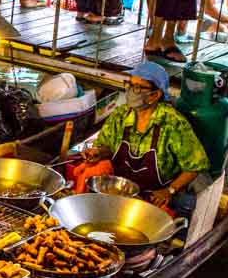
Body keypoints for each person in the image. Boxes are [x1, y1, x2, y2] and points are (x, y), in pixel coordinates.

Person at [84, 61, 210, 207]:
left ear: (154, 95)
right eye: (129, 84)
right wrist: (98, 152)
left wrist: (169, 190)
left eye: (137, 87)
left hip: (155, 197)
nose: (130, 91)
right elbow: (108, 147)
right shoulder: (121, 115)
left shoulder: (172, 123)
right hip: (120, 190)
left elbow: (196, 166)